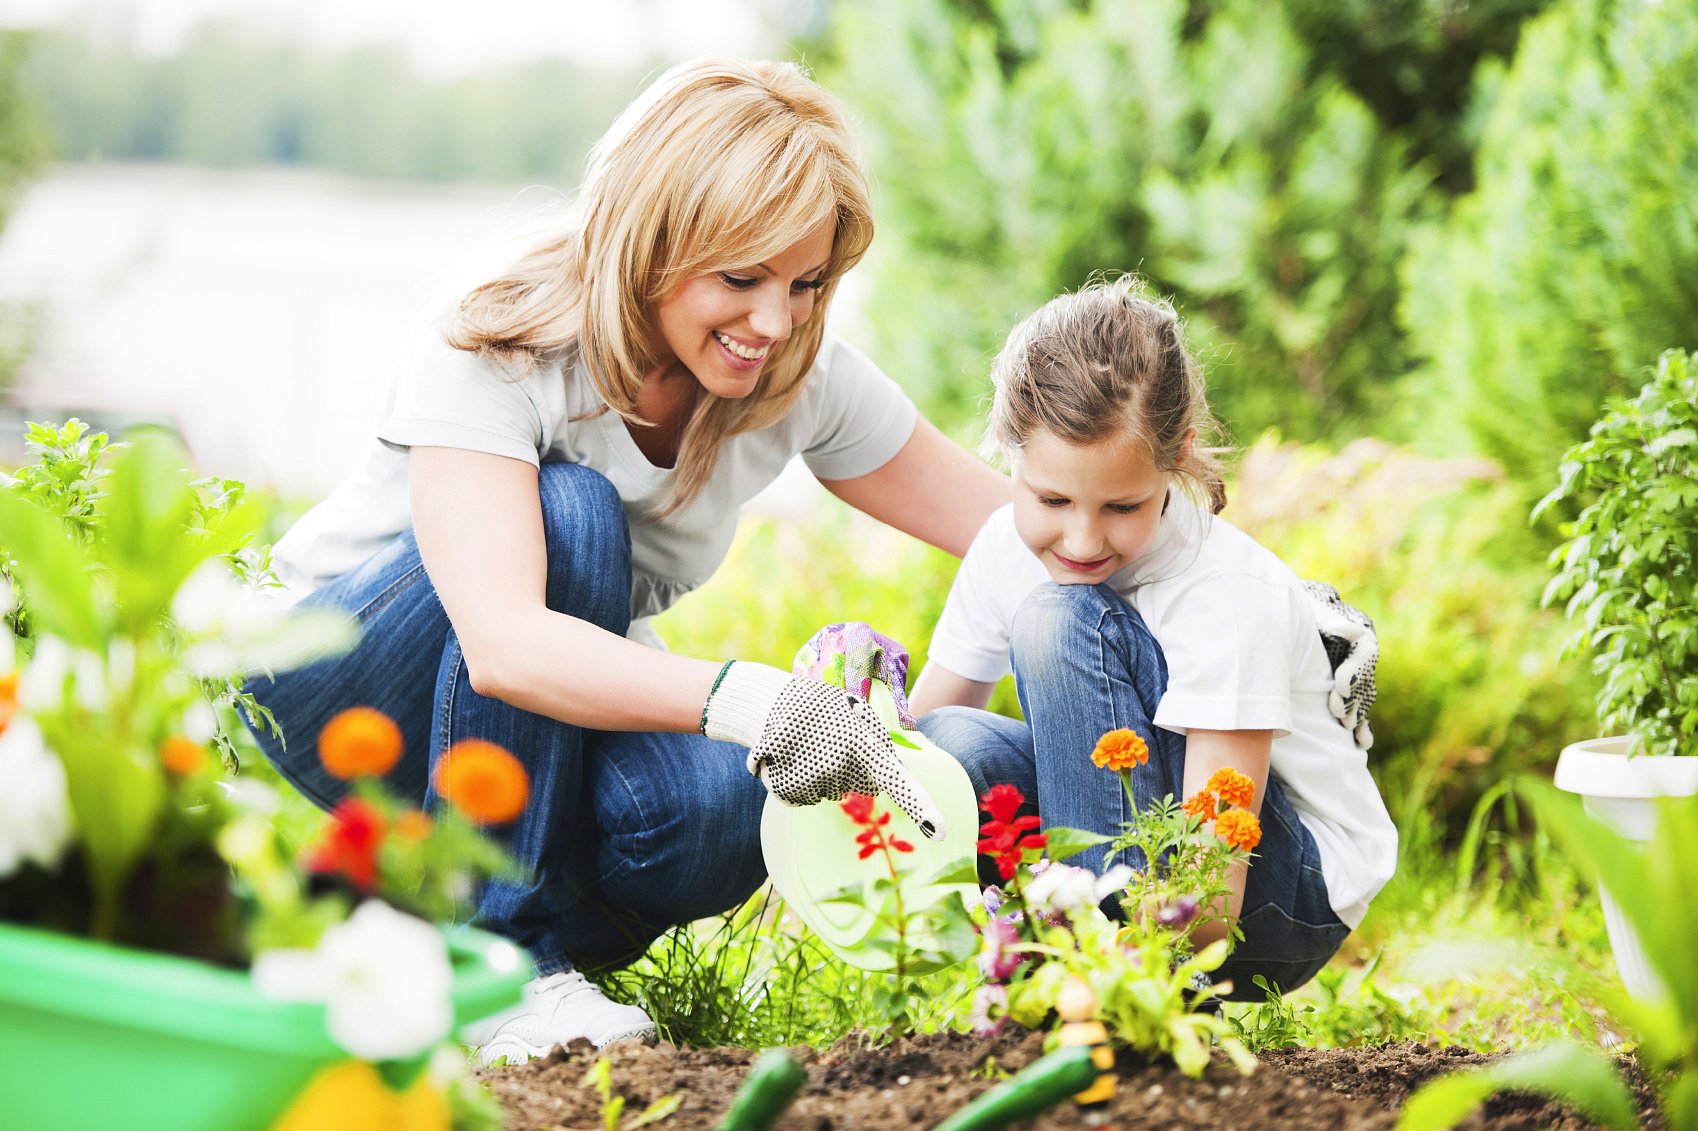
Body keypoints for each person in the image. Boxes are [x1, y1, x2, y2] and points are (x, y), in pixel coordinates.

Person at [247, 56, 1008, 1061]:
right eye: (739, 278)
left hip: (521, 732)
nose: (774, 321)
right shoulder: (504, 339)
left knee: (731, 800)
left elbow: (1015, 530)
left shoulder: (791, 365)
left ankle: (428, 944)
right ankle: (496, 969)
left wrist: (1225, 580)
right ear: (652, 243)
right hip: (336, 682)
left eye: (805, 282)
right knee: (574, 514)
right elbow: (508, 647)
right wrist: (772, 703)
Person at [909, 277, 1396, 997]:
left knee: (1058, 616)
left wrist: (1117, 950)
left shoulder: (1226, 596)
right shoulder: (1004, 546)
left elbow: (1212, 904)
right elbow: (915, 753)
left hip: (1278, 896)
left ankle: (1106, 984)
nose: (1080, 537)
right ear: (1009, 453)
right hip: (1140, 849)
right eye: (1050, 499)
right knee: (951, 747)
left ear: (1177, 457)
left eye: (1122, 505)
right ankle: (1066, 961)